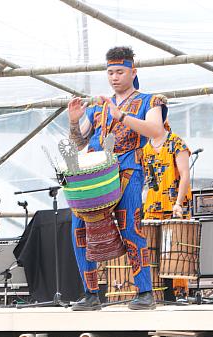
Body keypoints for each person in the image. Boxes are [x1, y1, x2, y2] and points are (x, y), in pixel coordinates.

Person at [66, 45, 167, 311]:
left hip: (128, 171)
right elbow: (78, 143)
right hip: (95, 178)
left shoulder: (150, 100)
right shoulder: (98, 108)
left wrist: (121, 115)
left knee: (130, 228)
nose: (114, 77)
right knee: (79, 229)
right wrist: (74, 121)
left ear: (133, 72)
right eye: (110, 72)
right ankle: (90, 294)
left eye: (120, 71)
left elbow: (156, 130)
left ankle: (145, 292)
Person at [141, 120, 192, 300]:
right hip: (153, 204)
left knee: (177, 249)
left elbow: (185, 174)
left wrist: (178, 202)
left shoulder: (176, 142)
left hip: (175, 203)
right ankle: (153, 292)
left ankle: (181, 293)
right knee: (148, 249)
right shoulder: (145, 147)